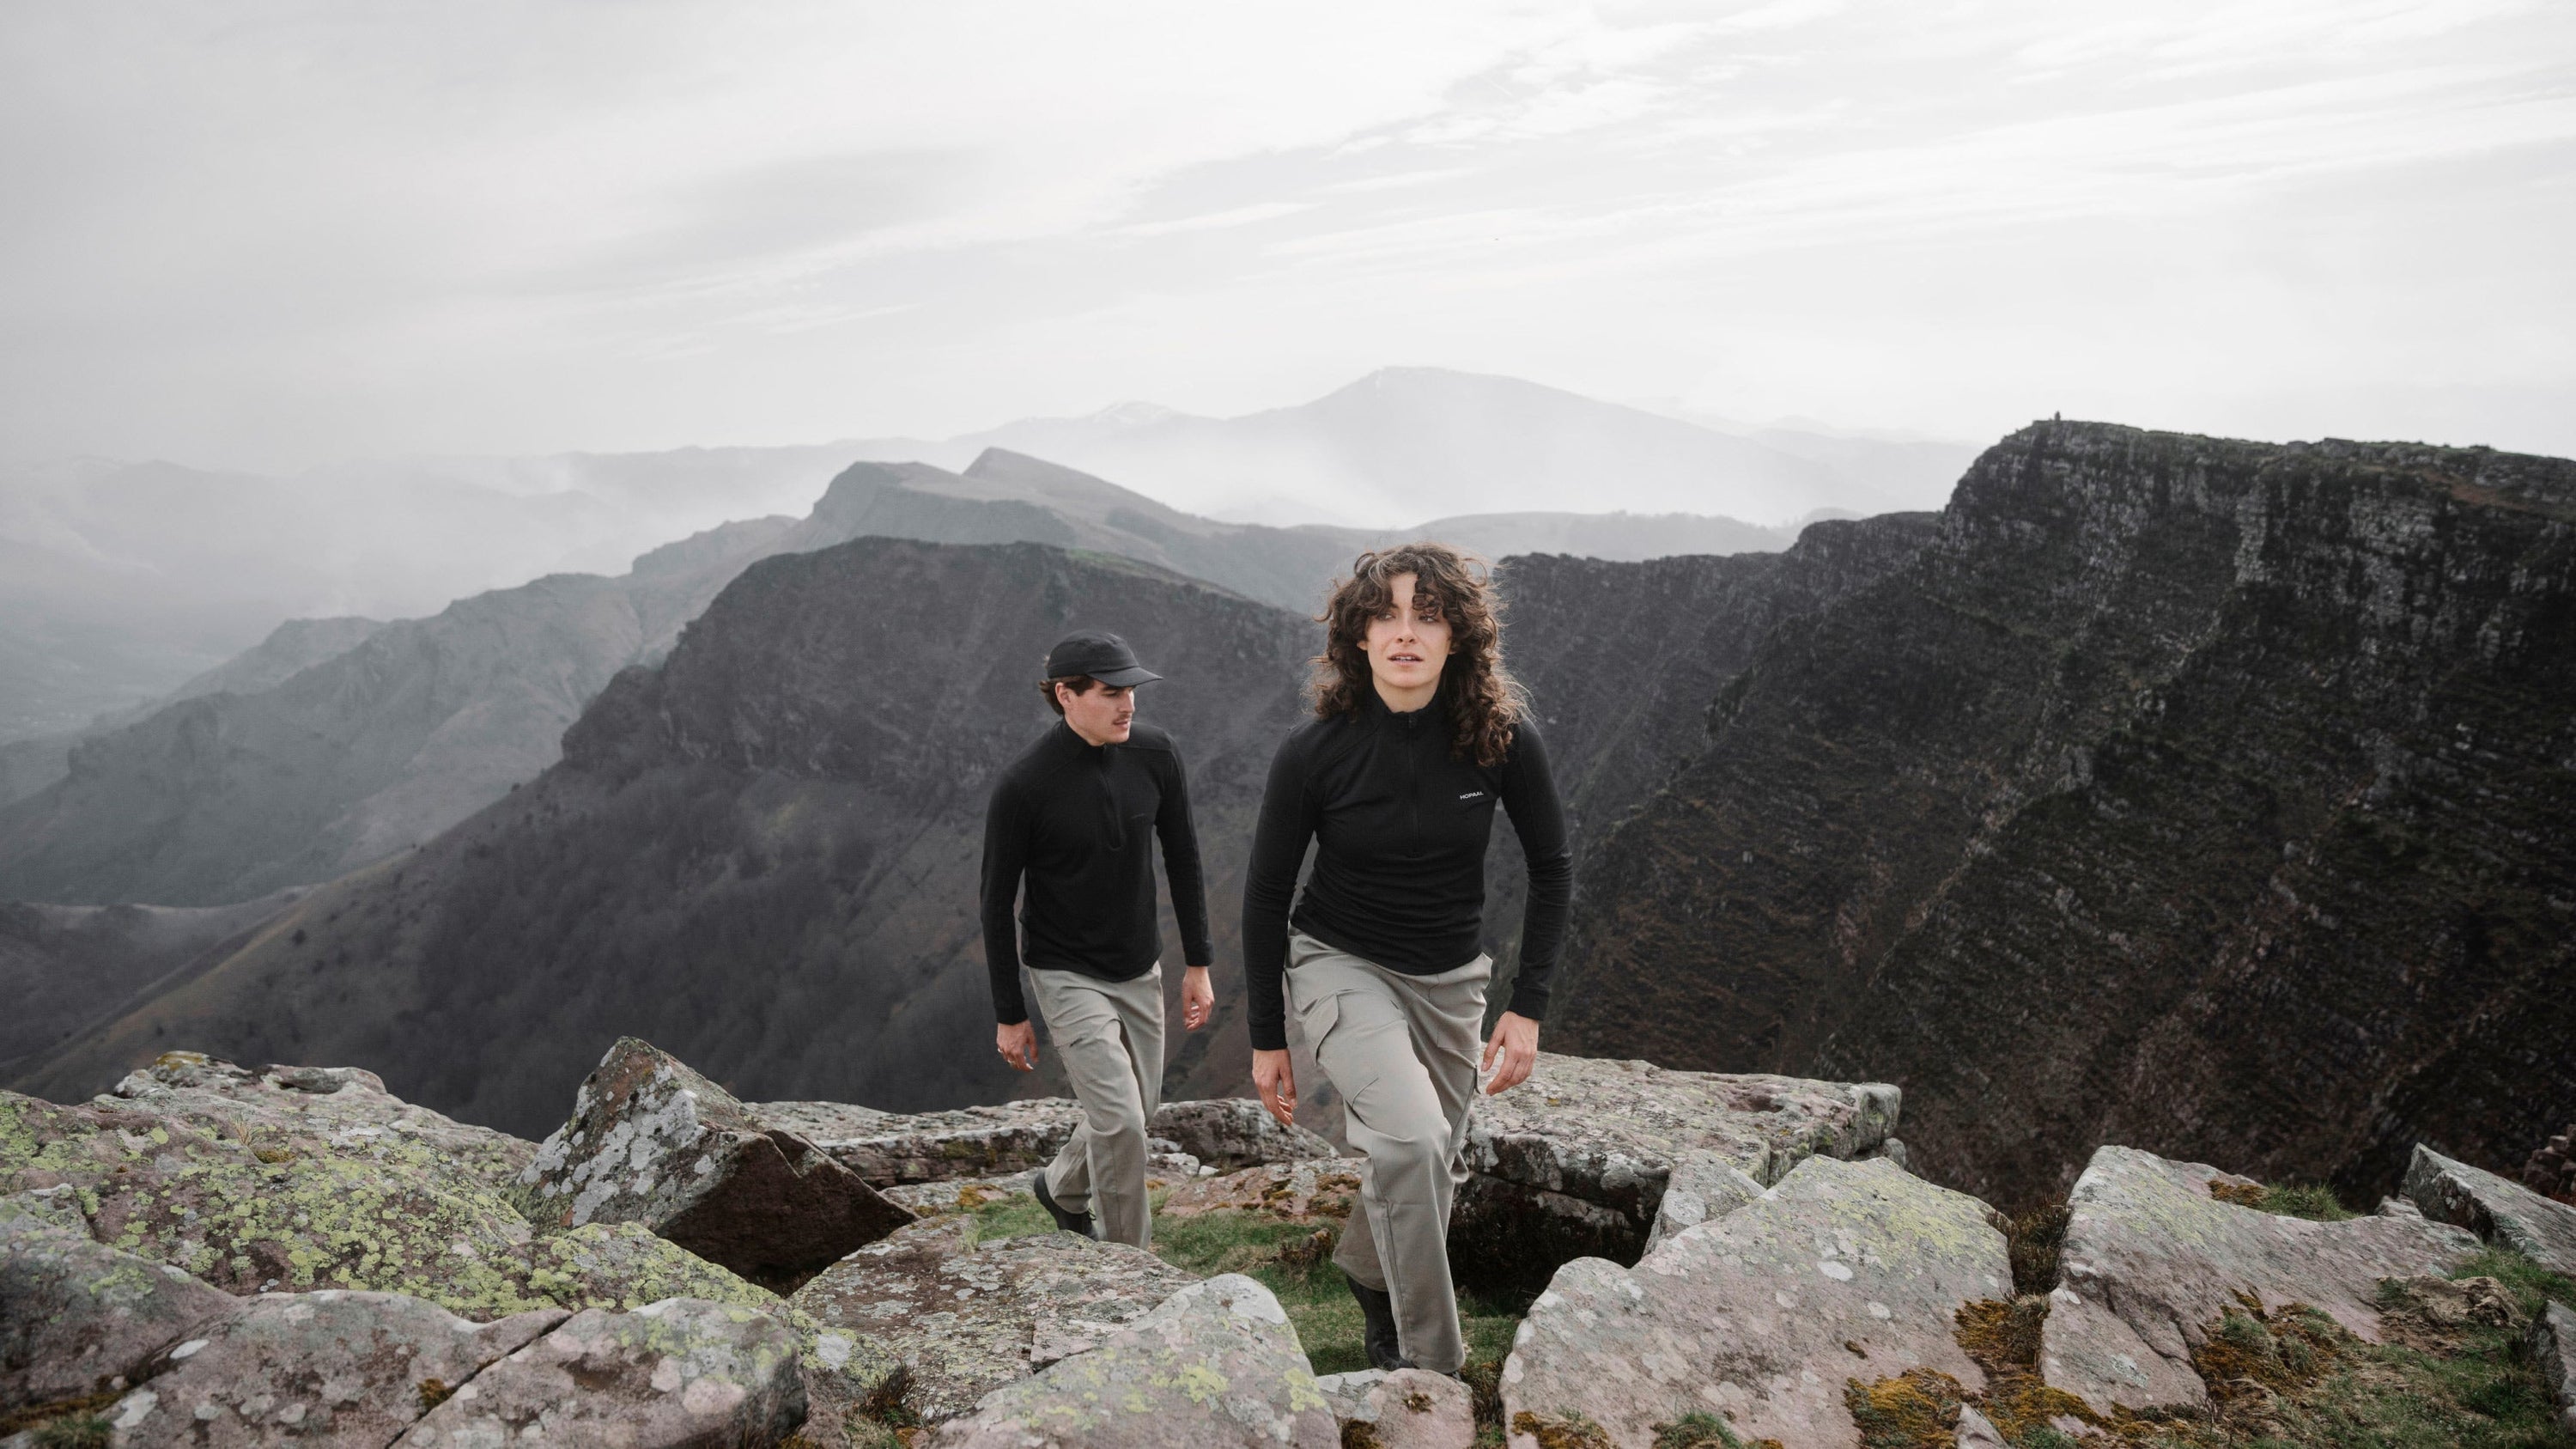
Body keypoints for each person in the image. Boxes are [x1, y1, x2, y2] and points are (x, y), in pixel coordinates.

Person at [1241, 544, 1572, 1375]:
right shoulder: (1315, 752)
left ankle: (1365, 1267)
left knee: (1433, 1161)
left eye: (1428, 616)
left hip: (1452, 981)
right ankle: (1432, 1369)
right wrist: (1267, 1035)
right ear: (1359, 635)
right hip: (1340, 964)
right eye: (1386, 615)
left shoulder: (1500, 740)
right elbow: (1266, 893)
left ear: (1458, 635)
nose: (1405, 633)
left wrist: (1528, 1006)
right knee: (1417, 1141)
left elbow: (1553, 866)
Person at [982, 629, 1216, 1250]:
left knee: (1140, 1110)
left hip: (1139, 966)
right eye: (1112, 693)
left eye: (1132, 690)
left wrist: (1198, 962)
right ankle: (1128, 1265)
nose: (1128, 704)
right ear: (1066, 694)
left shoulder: (1157, 754)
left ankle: (1061, 1186)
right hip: (1065, 970)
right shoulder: (1024, 785)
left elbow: (1184, 857)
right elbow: (994, 903)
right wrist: (1010, 1013)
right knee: (1119, 1122)